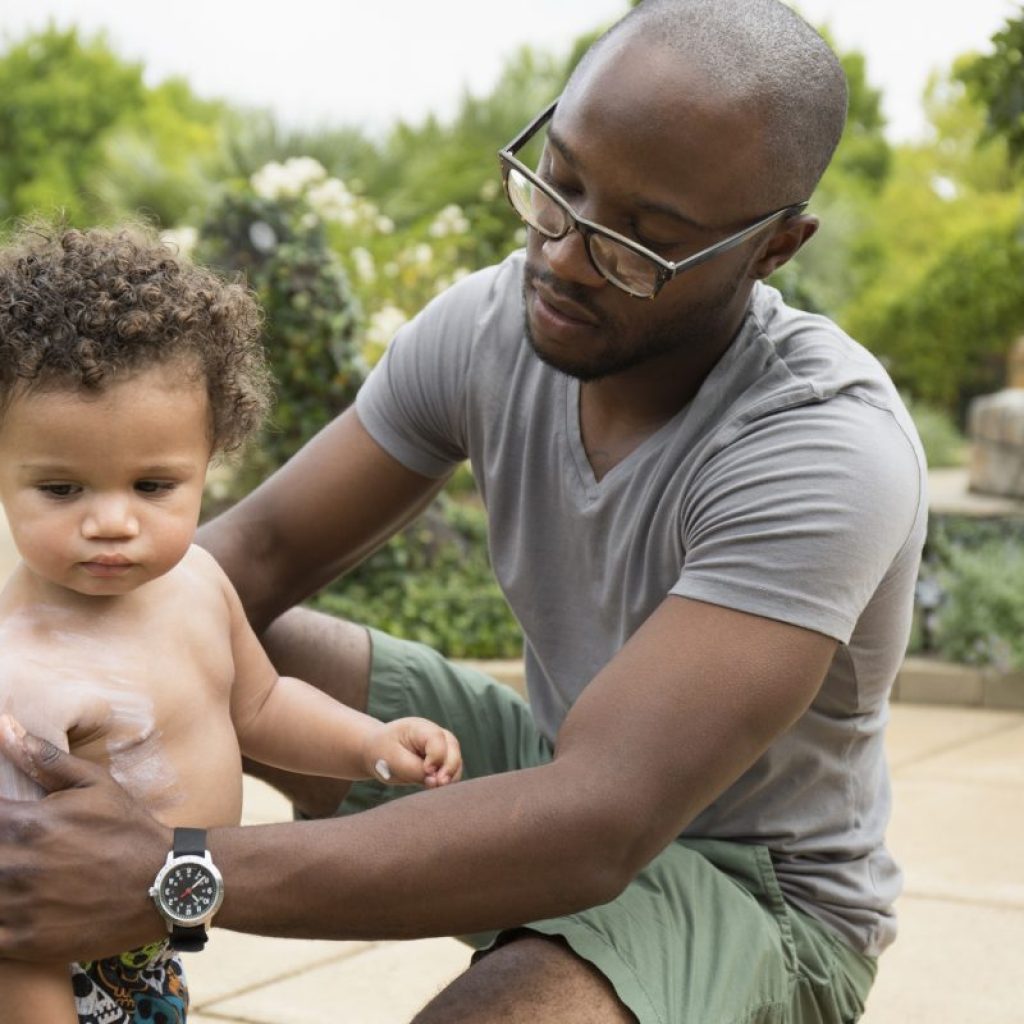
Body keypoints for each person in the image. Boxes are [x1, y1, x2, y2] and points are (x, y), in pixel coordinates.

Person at [0, 1, 929, 1021]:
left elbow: (600, 820)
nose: (566, 256)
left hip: (753, 890)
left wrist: (170, 869)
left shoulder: (820, 446)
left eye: (640, 243)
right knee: (195, 621)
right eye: (558, 186)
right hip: (552, 763)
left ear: (773, 248)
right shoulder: (498, 321)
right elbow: (242, 556)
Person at [0, 223, 462, 1024]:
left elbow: (260, 705)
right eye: (62, 490)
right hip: (62, 973)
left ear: (213, 455)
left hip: (146, 940)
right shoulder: (24, 680)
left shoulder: (199, 584)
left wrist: (366, 743)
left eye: (152, 485)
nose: (112, 522)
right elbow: (16, 923)